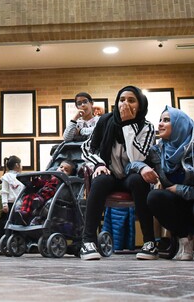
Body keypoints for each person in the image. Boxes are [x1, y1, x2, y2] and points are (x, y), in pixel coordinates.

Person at [79, 85, 159, 261]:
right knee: (99, 180)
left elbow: (137, 157)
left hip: (132, 173)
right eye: (122, 100)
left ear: (140, 105)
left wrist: (129, 125)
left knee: (138, 181)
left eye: (131, 100)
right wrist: (98, 163)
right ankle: (88, 241)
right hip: (110, 172)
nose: (125, 104)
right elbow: (87, 148)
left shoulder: (147, 127)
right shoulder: (105, 121)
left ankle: (149, 242)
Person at [146, 106, 194, 260]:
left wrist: (184, 190)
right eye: (160, 120)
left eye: (166, 120)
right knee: (154, 197)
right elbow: (132, 165)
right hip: (178, 207)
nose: (160, 124)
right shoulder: (156, 151)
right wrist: (141, 167)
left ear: (179, 125)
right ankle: (184, 242)